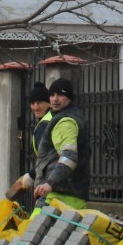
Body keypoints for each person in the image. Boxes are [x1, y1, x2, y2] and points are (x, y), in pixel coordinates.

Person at [29, 77, 90, 208]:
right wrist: (29, 177)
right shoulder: (63, 117)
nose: (55, 99)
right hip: (68, 195)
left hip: (57, 197)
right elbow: (50, 159)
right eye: (52, 95)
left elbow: (69, 158)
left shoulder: (65, 122)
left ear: (69, 97)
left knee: (33, 228)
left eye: (60, 94)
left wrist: (49, 183)